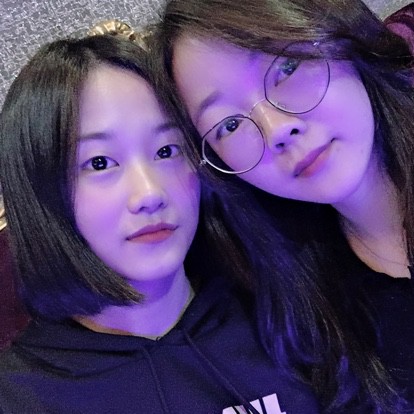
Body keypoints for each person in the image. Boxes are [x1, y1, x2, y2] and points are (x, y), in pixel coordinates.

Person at [0, 34, 320, 413]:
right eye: (100, 163)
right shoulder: (19, 396)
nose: (150, 193)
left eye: (167, 151)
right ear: (38, 193)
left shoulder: (284, 312)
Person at [154, 0, 414, 412]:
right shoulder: (299, 312)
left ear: (340, 35)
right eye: (229, 125)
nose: (276, 129)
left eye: (287, 68)